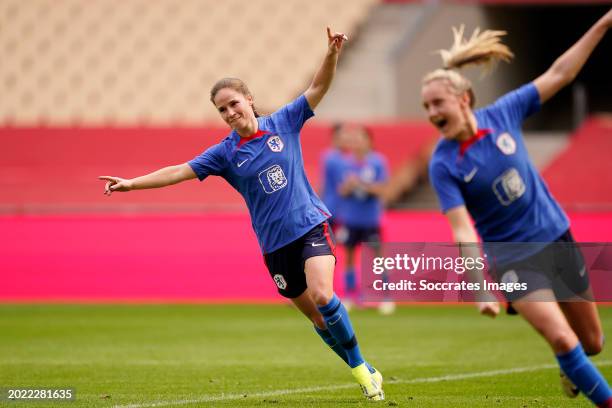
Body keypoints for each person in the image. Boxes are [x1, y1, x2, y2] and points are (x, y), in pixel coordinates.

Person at [99, 28, 385, 401]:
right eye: (222, 109)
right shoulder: (224, 154)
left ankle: (362, 372)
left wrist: (331, 54)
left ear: (249, 100)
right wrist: (132, 184)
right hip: (273, 246)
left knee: (324, 295)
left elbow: (317, 87)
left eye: (234, 103)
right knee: (317, 319)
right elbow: (178, 171)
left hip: (309, 225)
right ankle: (359, 367)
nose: (230, 112)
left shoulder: (283, 122)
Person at [423, 10, 612, 407]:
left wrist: (604, 23)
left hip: (556, 240)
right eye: (426, 107)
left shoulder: (504, 113)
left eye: (437, 103)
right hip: (511, 262)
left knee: (591, 344)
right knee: (561, 338)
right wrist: (478, 287)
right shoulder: (444, 163)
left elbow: (560, 73)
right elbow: (461, 230)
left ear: (464, 99)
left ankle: (571, 364)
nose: (432, 114)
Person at [336, 125, 394, 314]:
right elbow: (341, 191)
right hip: (351, 219)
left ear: (369, 141)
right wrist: (348, 186)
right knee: (350, 257)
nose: (356, 142)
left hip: (370, 220)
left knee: (378, 257)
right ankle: (349, 295)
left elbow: (383, 190)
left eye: (360, 138)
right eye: (354, 139)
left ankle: (386, 297)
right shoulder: (346, 163)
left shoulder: (377, 162)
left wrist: (361, 184)